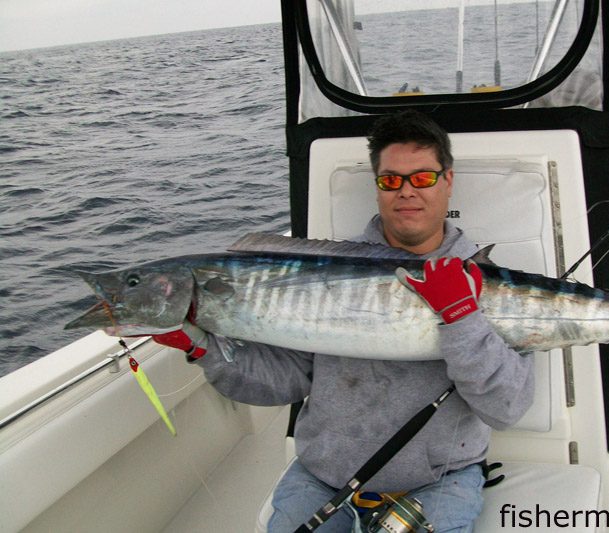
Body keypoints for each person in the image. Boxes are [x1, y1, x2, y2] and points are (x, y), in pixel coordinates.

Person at [153, 110, 535, 532]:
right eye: (391, 180)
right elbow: (284, 381)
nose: (406, 192)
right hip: (323, 477)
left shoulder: (485, 282)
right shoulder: (325, 269)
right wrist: (202, 348)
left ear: (448, 181)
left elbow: (506, 408)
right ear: (377, 188)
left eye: (422, 178)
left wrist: (461, 316)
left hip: (438, 481)